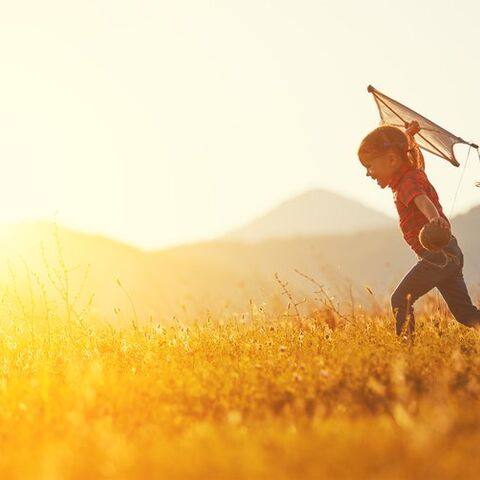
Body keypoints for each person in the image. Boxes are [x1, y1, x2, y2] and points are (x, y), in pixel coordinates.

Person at [357, 123, 480, 338]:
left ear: (392, 160)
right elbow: (407, 157)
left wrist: (435, 219)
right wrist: (409, 136)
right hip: (449, 254)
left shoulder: (406, 183)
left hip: (439, 256)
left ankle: (407, 351)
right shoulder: (411, 174)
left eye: (370, 166)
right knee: (465, 314)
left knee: (400, 299)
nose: (368, 174)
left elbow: (422, 201)